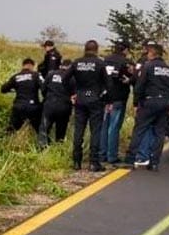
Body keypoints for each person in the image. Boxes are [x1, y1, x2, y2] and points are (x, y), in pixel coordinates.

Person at [124, 41, 169, 171]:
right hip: (165, 103)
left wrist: (136, 103)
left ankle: (130, 159)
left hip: (149, 102)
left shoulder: (148, 66)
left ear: (152, 53)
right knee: (160, 133)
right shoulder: (168, 69)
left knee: (139, 130)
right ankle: (154, 162)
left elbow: (139, 86)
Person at [65, 40, 110, 171]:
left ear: (85, 49)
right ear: (96, 50)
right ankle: (93, 162)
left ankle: (76, 162)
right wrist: (106, 99)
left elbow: (64, 79)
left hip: (80, 99)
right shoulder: (100, 63)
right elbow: (109, 84)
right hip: (95, 99)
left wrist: (72, 93)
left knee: (79, 130)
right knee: (95, 131)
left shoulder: (76, 62)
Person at [99, 40, 133, 165]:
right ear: (125, 50)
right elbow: (132, 78)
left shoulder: (105, 60)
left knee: (104, 126)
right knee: (113, 128)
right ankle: (111, 156)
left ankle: (101, 154)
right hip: (118, 99)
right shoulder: (126, 63)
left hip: (105, 98)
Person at [38, 58, 75, 147]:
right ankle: (58, 149)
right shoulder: (72, 78)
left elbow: (43, 89)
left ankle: (42, 149)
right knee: (61, 130)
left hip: (49, 105)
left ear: (61, 65)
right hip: (64, 106)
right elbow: (74, 94)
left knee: (44, 128)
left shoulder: (51, 74)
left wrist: (47, 98)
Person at [1, 58, 42, 133]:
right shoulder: (36, 75)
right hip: (33, 107)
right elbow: (44, 87)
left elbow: (3, 89)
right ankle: (45, 144)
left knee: (11, 129)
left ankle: (3, 141)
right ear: (32, 66)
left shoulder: (16, 77)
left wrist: (13, 89)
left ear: (23, 65)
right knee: (40, 130)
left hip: (18, 106)